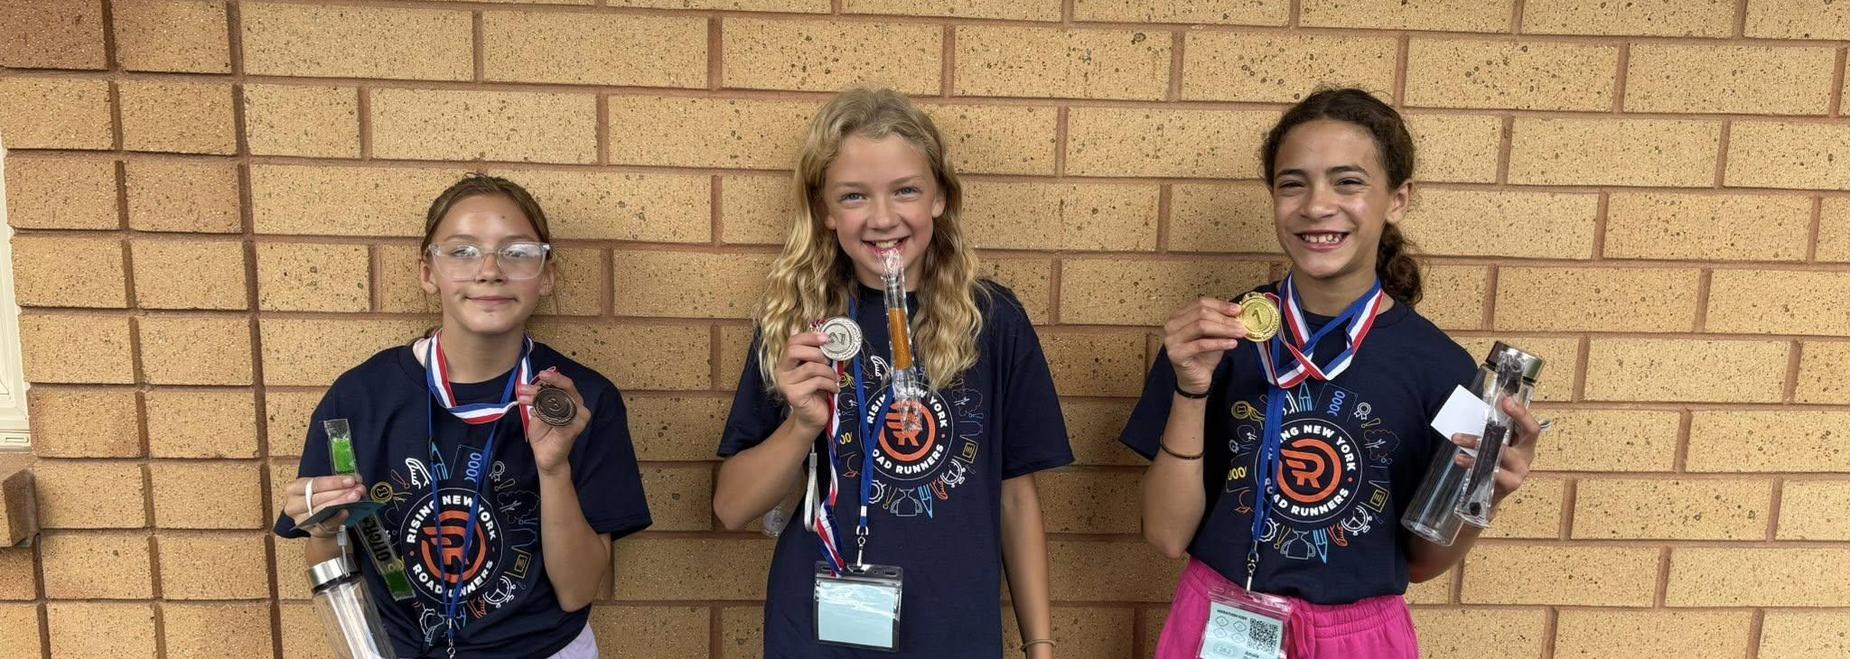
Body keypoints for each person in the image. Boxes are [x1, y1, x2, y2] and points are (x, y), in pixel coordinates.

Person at [1124, 88, 1544, 658]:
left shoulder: (1445, 370)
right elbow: (1166, 535)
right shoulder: (1215, 339)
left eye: (1348, 182)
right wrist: (1191, 389)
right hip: (1223, 619)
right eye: (1292, 183)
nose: (1317, 205)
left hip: (1360, 636)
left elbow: (1421, 563)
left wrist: (1483, 501)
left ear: (1397, 199)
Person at [711, 88, 1072, 658]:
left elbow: (1015, 498)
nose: (883, 218)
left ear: (940, 199)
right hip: (821, 634)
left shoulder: (993, 319)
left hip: (954, 634)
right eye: (854, 196)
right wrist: (802, 425)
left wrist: (1041, 644)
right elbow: (731, 508)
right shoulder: (799, 325)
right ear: (825, 212)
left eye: (906, 190)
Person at [275, 174, 652, 658]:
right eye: (462, 251)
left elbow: (578, 590)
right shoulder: (360, 398)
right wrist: (322, 527)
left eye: (517, 252)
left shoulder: (582, 400)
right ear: (428, 271)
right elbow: (328, 564)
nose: (490, 270)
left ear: (548, 273)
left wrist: (553, 468)